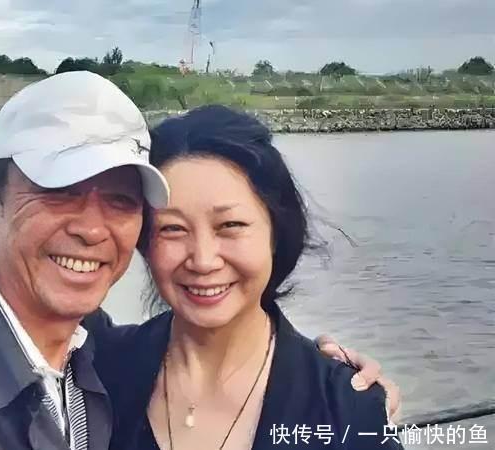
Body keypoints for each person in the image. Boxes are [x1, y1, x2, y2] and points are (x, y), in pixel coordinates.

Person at [0, 72, 396, 450]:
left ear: (277, 234)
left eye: (121, 200)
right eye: (59, 191)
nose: (91, 228)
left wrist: (343, 389)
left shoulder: (84, 354)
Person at [92, 105, 404, 450]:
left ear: (276, 232)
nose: (203, 260)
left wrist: (357, 401)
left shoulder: (345, 409)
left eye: (230, 225)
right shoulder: (95, 368)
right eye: (173, 228)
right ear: (144, 242)